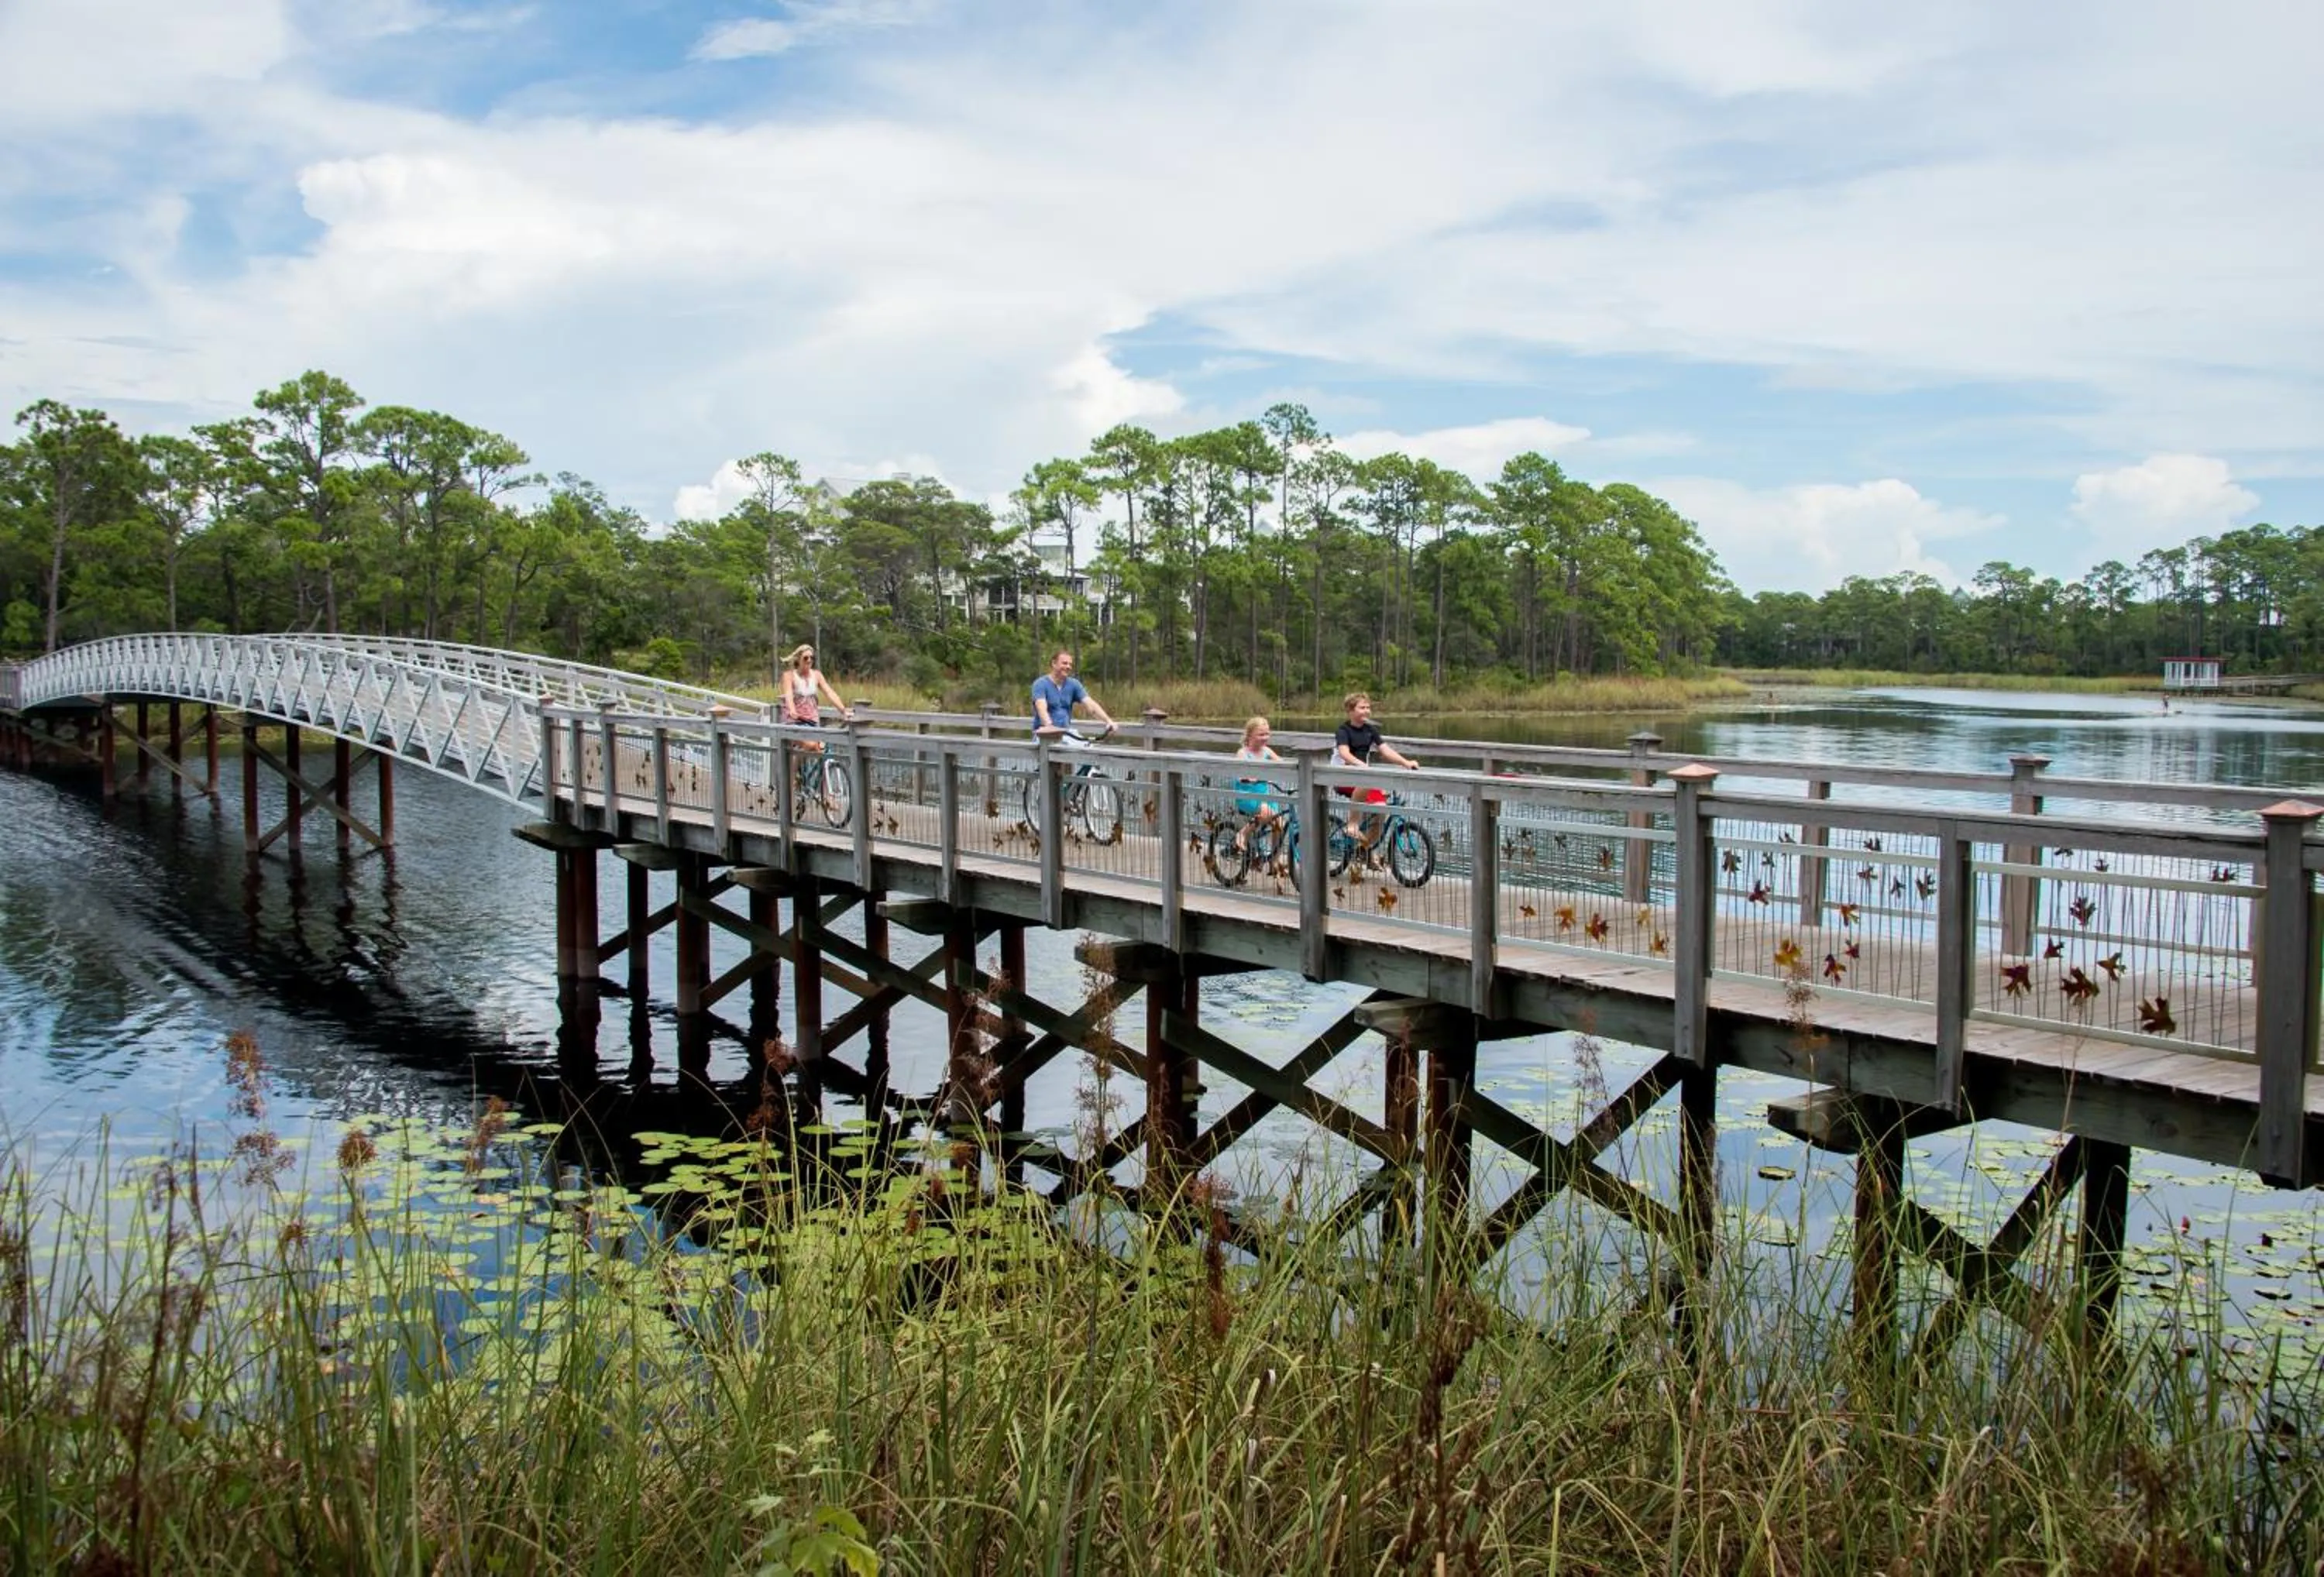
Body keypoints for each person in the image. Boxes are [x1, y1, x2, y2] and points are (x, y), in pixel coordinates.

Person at [1333, 692, 1418, 847]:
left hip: (1364, 776)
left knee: (1381, 810)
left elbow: (1386, 751)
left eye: (1368, 708)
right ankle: (1352, 823)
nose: (1367, 711)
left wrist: (1406, 763)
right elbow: (1344, 753)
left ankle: (1364, 850)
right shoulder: (1343, 731)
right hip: (1343, 776)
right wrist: (1362, 766)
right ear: (1350, 710)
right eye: (1362, 708)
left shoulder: (1370, 730)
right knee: (1367, 781)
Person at [1030, 648, 1116, 740]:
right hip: (1044, 735)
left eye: (1070, 664)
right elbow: (1041, 708)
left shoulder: (1073, 684)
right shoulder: (1041, 684)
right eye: (1064, 663)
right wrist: (1049, 726)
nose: (1068, 667)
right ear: (1054, 664)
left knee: (1086, 746)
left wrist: (1108, 721)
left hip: (1065, 734)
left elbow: (1091, 705)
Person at [1232, 716, 1285, 854]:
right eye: (1261, 734)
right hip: (1247, 797)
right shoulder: (1243, 753)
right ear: (1250, 735)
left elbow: (1282, 763)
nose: (1265, 738)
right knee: (1266, 813)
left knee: (1280, 824)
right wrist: (1249, 778)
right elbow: (1240, 774)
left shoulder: (1267, 751)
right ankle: (1242, 833)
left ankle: (1274, 860)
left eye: (1267, 734)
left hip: (1264, 798)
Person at [776, 644, 852, 728]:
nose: (809, 660)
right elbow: (789, 695)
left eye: (812, 658)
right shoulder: (789, 676)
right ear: (798, 659)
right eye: (806, 658)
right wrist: (792, 709)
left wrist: (843, 710)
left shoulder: (817, 675)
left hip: (812, 721)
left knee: (819, 735)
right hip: (795, 721)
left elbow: (829, 693)